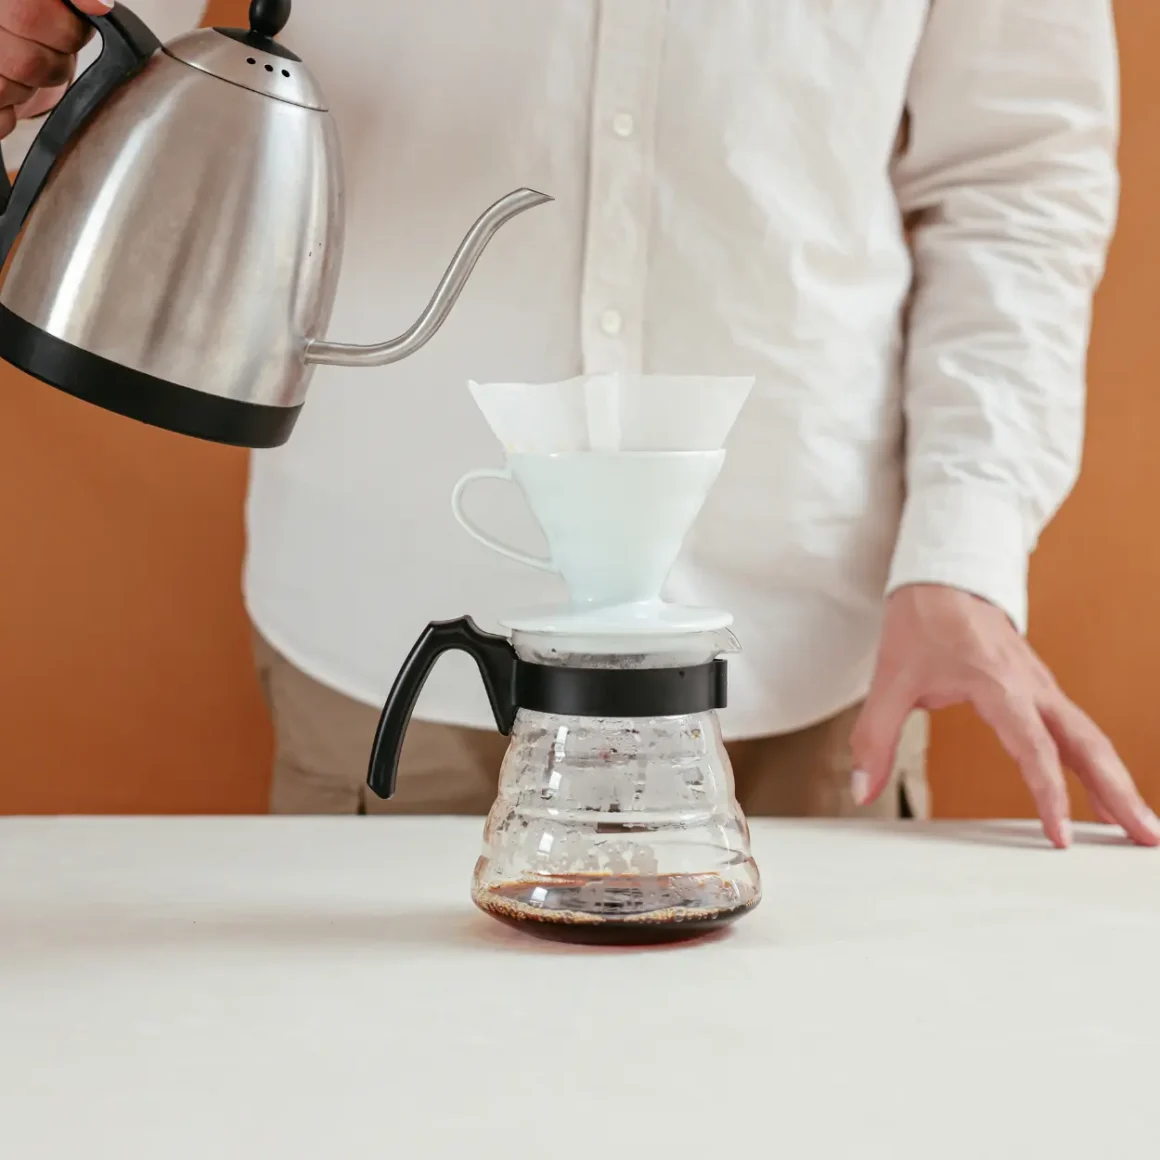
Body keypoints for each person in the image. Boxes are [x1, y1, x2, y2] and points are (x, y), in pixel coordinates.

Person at [5, 0, 1157, 847]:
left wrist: (964, 550)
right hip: (389, 623)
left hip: (804, 650)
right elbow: (82, 42)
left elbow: (1015, 182)